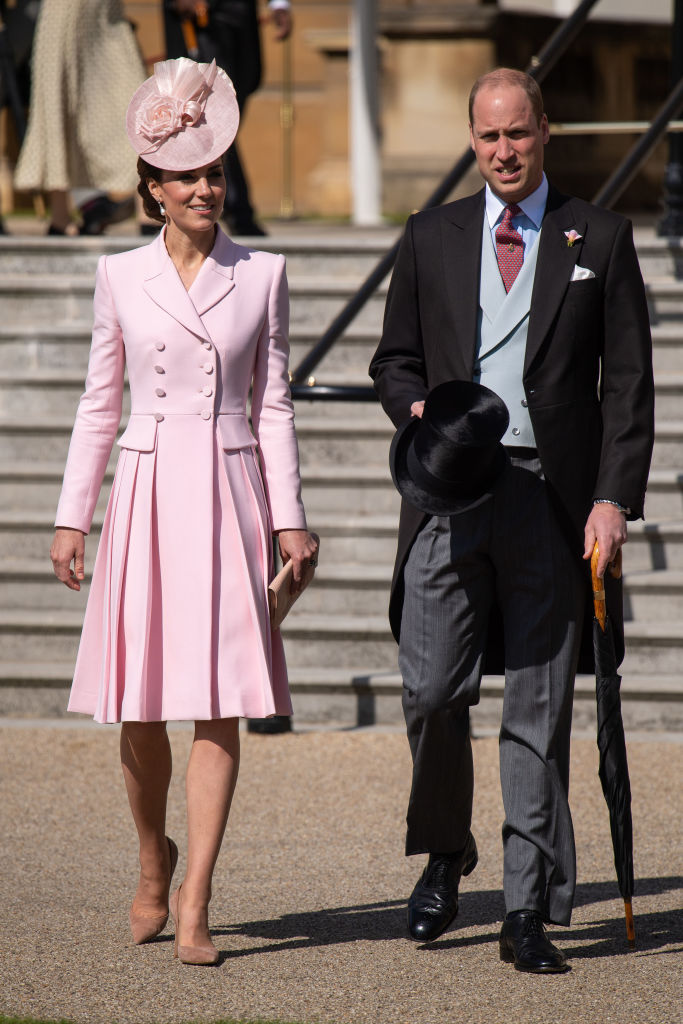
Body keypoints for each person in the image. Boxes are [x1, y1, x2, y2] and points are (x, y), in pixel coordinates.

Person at [369, 68, 654, 973]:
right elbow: (393, 361)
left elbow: (629, 385)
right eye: (487, 137)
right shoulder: (429, 235)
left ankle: (526, 906)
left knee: (538, 707)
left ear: (545, 133)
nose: (502, 151)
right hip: (448, 498)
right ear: (471, 137)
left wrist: (612, 497)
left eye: (517, 135)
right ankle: (447, 851)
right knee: (430, 693)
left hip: (553, 503)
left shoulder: (598, 238)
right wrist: (417, 411)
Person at [50, 55, 318, 966]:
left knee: (218, 707)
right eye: (187, 174)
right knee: (139, 708)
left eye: (214, 171)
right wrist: (70, 515)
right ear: (153, 189)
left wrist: (289, 517)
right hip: (148, 491)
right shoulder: (120, 276)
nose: (205, 186)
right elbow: (100, 401)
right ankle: (150, 856)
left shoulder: (265, 273)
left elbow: (274, 401)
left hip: (233, 491)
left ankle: (197, 897)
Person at [13, 0, 149, 235]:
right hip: (64, 9)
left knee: (132, 94)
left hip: (107, 10)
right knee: (59, 97)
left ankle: (147, 209)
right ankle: (60, 216)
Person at [163, 0, 292, 235]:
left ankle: (232, 206)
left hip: (236, 18)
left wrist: (278, 4)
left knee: (226, 112)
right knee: (208, 118)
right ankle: (234, 207)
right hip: (198, 21)